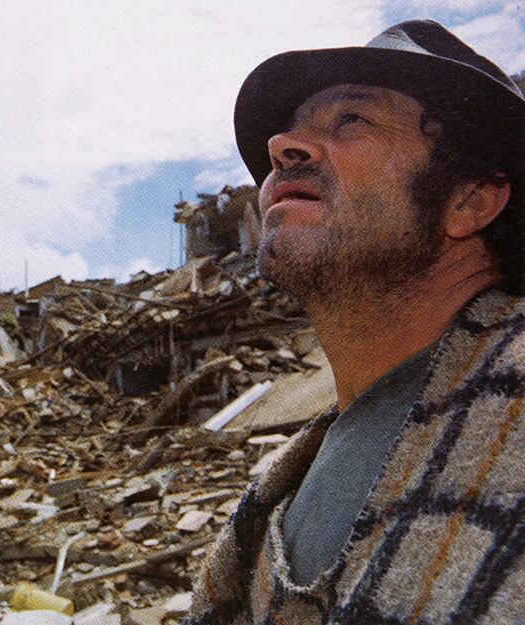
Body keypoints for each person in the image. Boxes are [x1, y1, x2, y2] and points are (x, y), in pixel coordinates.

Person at [185, 20, 525, 624]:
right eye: (292, 129)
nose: (283, 146)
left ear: (469, 200)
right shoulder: (287, 485)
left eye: (352, 120)